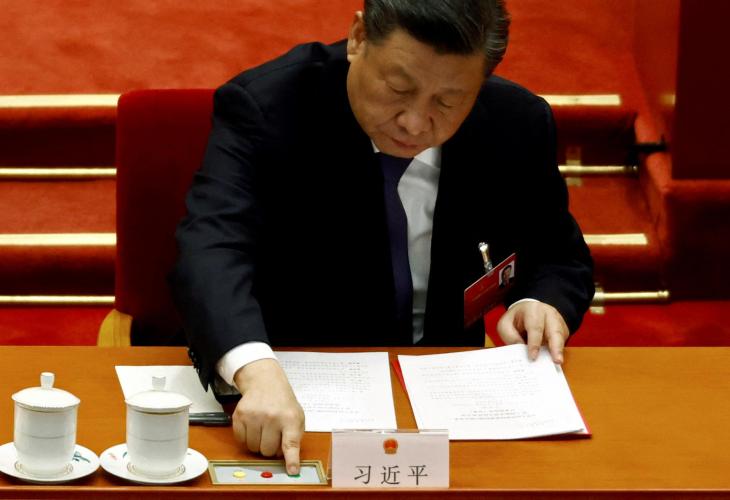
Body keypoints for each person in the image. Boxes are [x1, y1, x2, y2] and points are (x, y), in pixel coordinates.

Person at [170, 0, 594, 476]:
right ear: (358, 38)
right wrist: (255, 370)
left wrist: (541, 302)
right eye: (398, 89)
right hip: (294, 394)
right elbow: (210, 247)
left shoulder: (516, 122)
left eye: (446, 102)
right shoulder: (268, 108)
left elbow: (560, 255)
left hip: (445, 403)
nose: (414, 122)